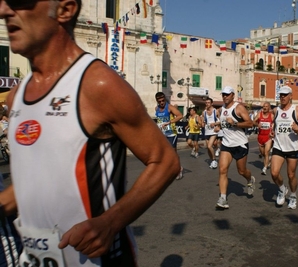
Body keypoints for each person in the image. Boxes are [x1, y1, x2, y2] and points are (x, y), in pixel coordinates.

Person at [0, 1, 180, 266]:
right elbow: (33, 181)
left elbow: (165, 161)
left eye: (21, 1)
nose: (5, 10)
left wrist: (110, 222)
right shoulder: (16, 97)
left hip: (97, 260)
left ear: (64, 10)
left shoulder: (98, 84)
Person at [214, 86, 255, 209]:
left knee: (241, 171)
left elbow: (250, 123)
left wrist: (235, 123)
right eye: (223, 95)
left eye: (227, 94)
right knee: (222, 170)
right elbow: (225, 123)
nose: (225, 97)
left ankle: (249, 179)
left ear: (233, 95)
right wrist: (219, 127)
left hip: (240, 144)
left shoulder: (238, 107)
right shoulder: (221, 109)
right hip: (226, 144)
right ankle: (222, 198)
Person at [270, 86, 298, 210]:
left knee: (291, 175)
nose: (282, 97)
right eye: (281, 95)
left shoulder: (296, 110)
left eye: (285, 95)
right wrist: (272, 132)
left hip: (292, 147)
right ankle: (282, 189)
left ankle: (293, 196)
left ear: (291, 96)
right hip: (278, 146)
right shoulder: (276, 110)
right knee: (274, 173)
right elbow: (274, 125)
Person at [155, 92, 184, 179]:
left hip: (171, 133)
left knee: (173, 152)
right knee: (163, 153)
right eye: (159, 101)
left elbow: (180, 116)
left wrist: (170, 122)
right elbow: (159, 120)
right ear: (157, 101)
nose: (161, 103)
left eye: (163, 100)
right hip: (163, 134)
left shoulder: (169, 107)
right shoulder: (156, 108)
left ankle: (179, 169)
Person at [253, 101, 274, 175]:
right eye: (263, 106)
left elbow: (275, 123)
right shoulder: (259, 114)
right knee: (263, 153)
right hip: (260, 136)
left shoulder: (271, 116)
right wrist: (257, 124)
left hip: (268, 137)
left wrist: (273, 131)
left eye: (266, 106)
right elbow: (253, 122)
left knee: (266, 152)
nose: (264, 108)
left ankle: (264, 168)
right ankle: (269, 160)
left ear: (269, 108)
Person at [202, 97, 219, 169]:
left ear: (212, 103)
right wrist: (202, 124)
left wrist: (215, 124)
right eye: (206, 103)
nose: (207, 104)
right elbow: (203, 122)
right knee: (208, 148)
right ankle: (212, 160)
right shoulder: (204, 112)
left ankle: (214, 160)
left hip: (213, 132)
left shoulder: (216, 111)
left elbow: (221, 121)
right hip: (207, 131)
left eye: (208, 103)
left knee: (209, 146)